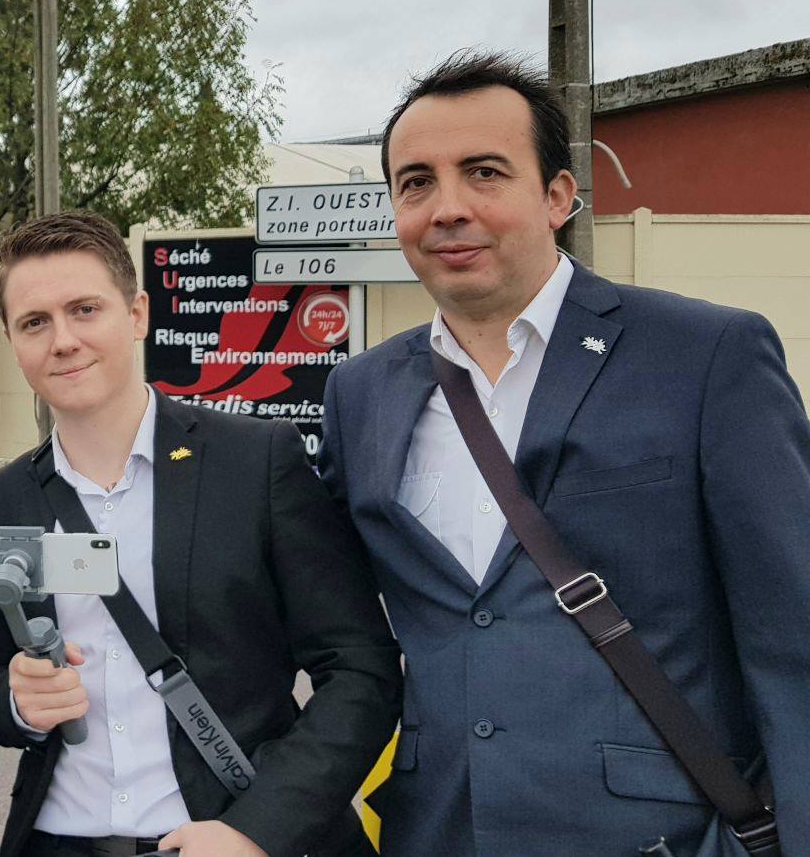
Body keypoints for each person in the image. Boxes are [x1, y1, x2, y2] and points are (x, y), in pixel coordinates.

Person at [318, 51, 809, 854]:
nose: (448, 208)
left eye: (484, 173)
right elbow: (326, 626)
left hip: (663, 837)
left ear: (557, 196)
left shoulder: (705, 356)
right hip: (437, 830)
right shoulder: (359, 393)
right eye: (416, 183)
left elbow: (793, 638)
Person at [0, 212, 401, 857]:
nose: (63, 340)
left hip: (221, 840)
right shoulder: (0, 502)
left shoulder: (256, 463)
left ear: (137, 314)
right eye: (35, 322)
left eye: (85, 310)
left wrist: (257, 828)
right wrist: (20, 703)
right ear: (12, 340)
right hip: (57, 841)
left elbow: (359, 669)